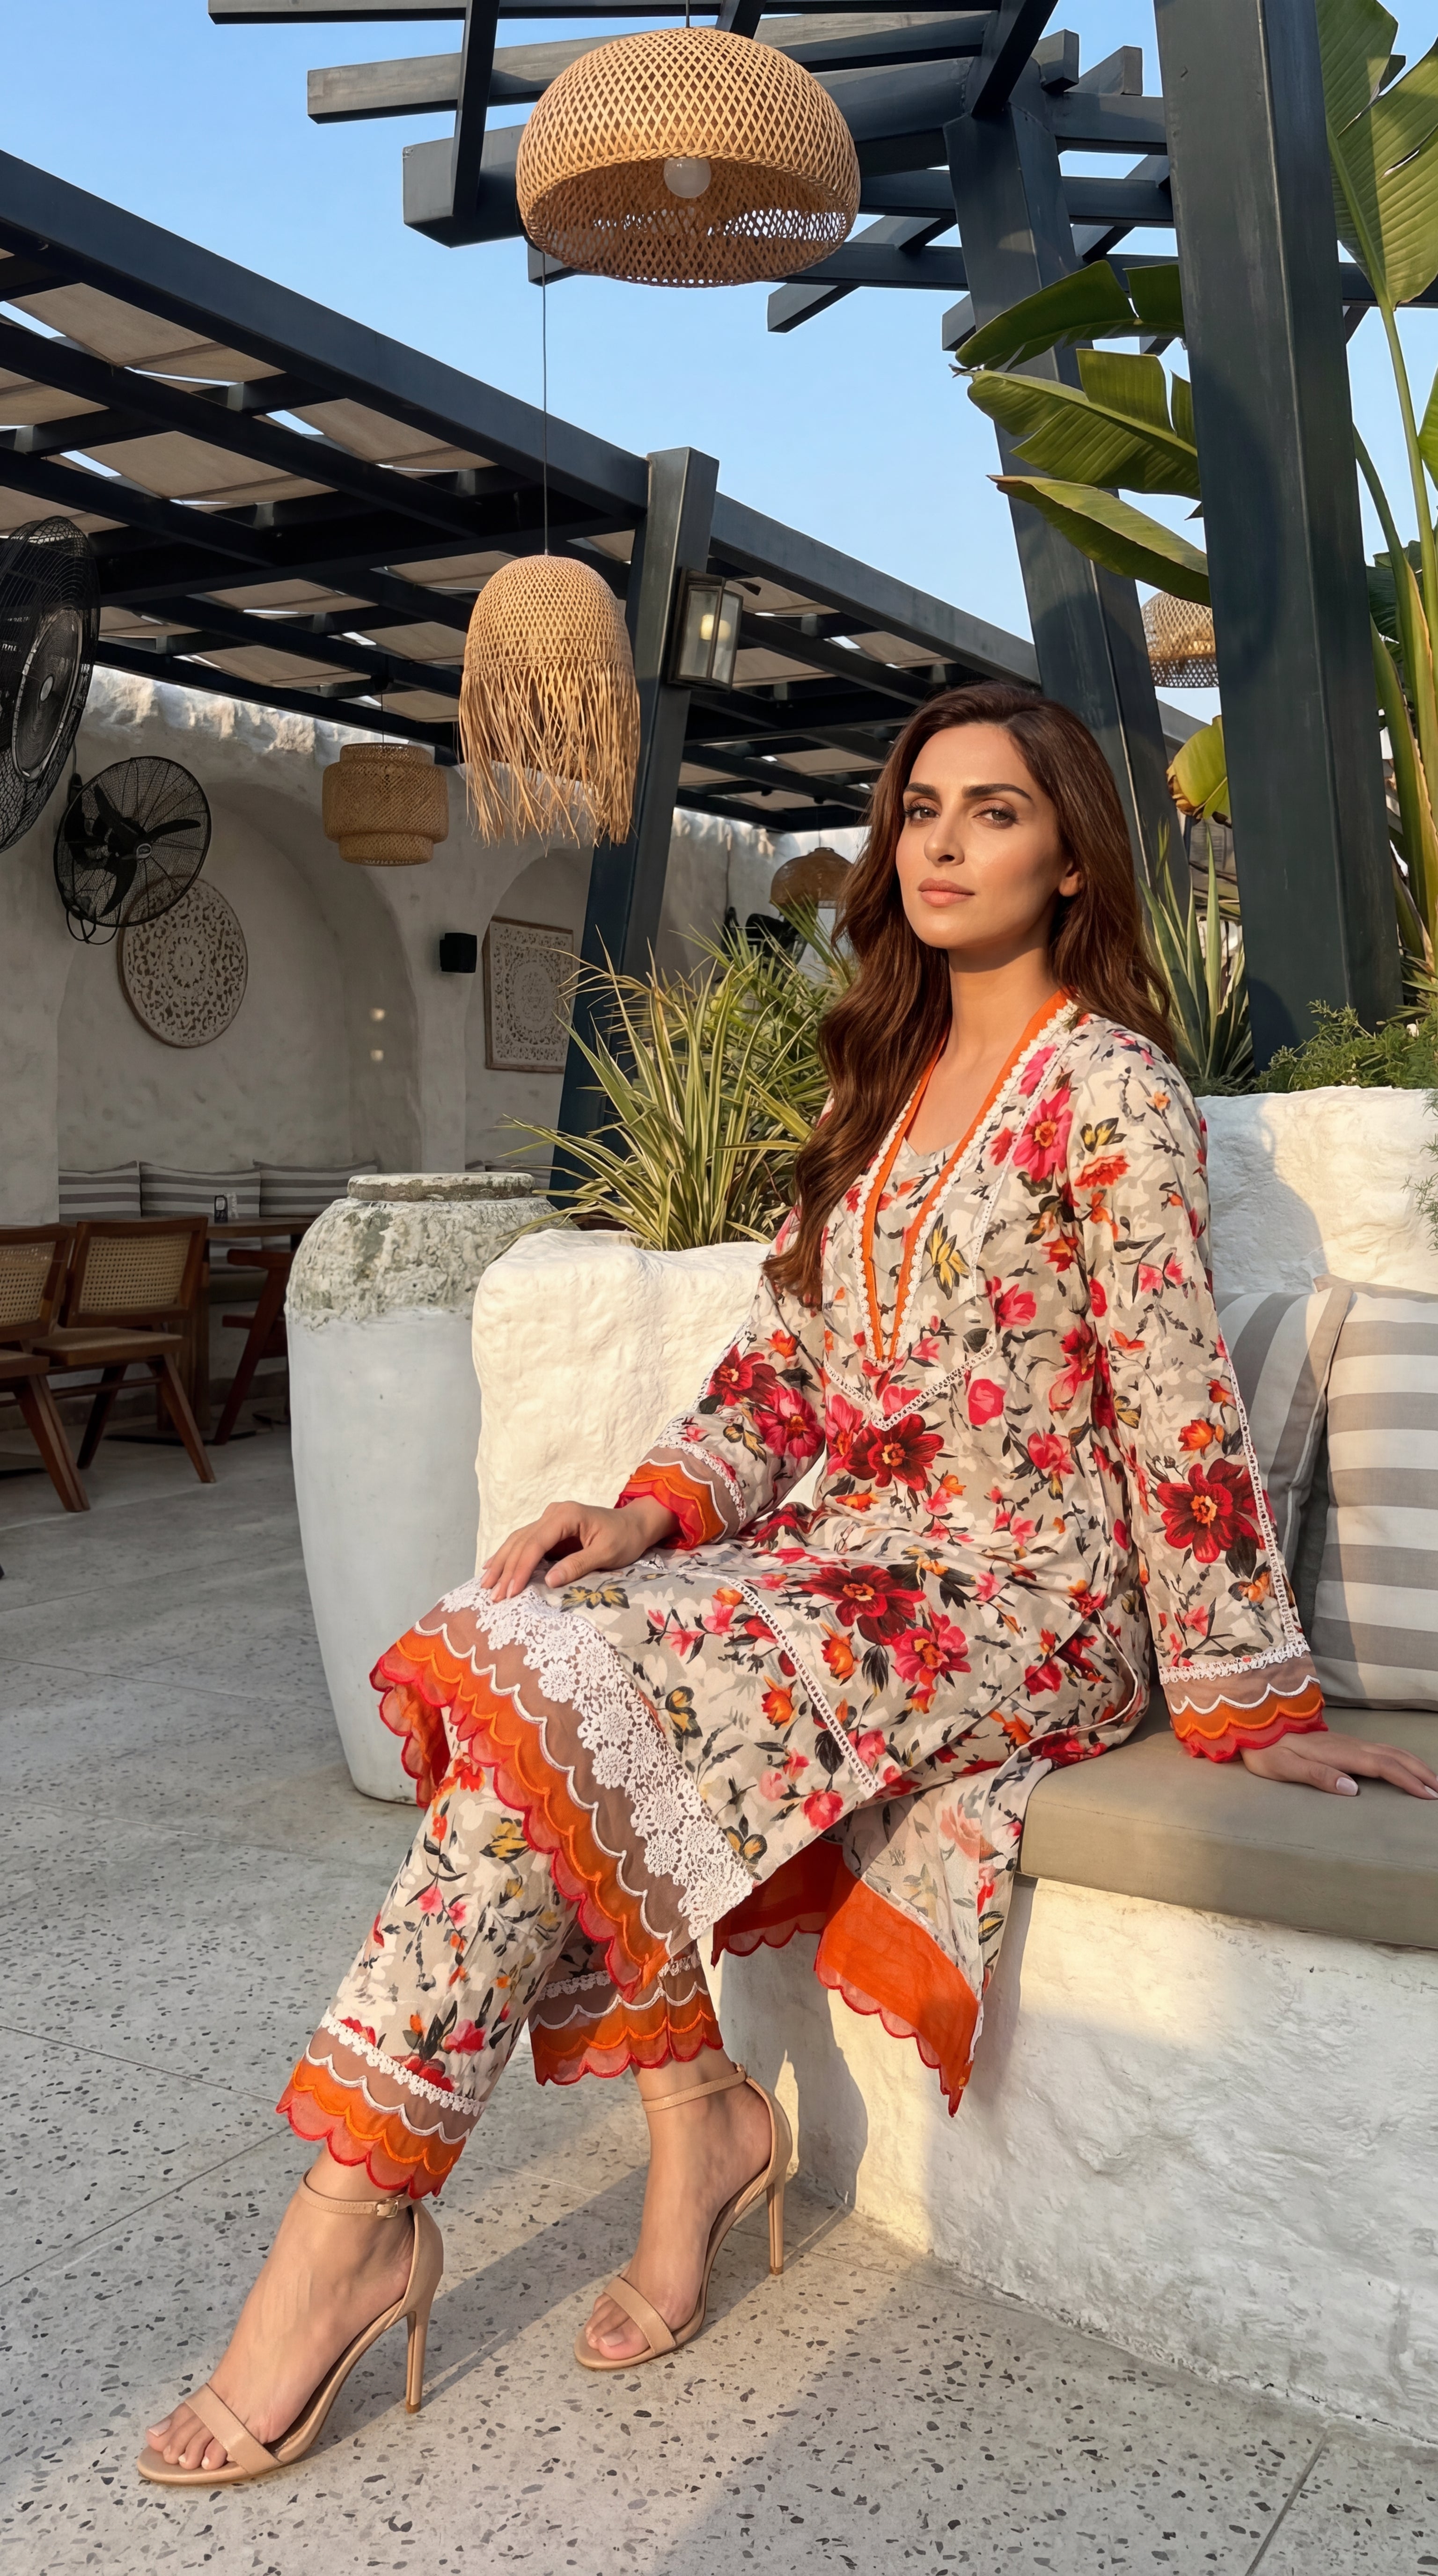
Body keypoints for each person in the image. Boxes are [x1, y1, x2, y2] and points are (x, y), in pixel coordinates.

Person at [141, 681, 1438, 2485]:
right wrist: (650, 1513)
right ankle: (681, 2117)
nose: (942, 845)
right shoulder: (882, 1088)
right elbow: (785, 1369)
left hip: (1025, 1603)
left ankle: (363, 2226)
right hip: (853, 1565)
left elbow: (1174, 1394)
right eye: (920, 812)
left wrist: (1248, 1699)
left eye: (994, 812)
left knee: (577, 1693)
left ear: (1072, 860)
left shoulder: (1112, 1087)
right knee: (528, 1636)